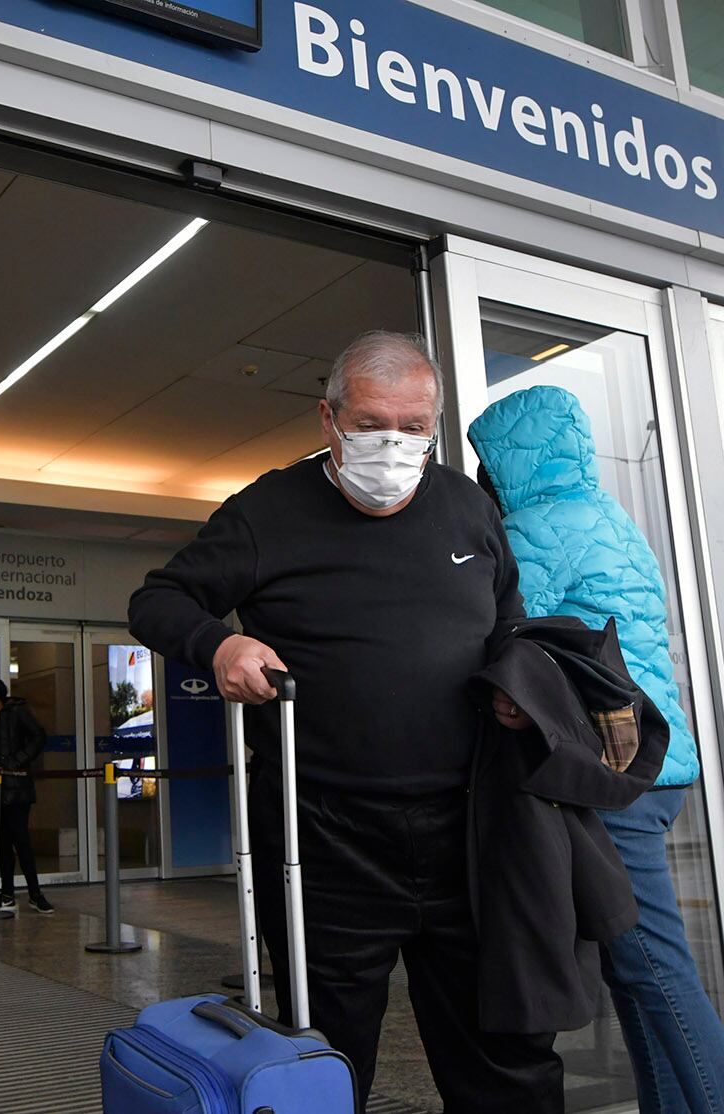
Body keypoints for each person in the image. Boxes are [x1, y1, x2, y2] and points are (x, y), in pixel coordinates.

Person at [129, 331, 561, 1114]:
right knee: (323, 1056)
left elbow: (507, 622)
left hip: (466, 828)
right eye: (370, 424)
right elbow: (157, 600)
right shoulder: (268, 510)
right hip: (322, 835)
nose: (393, 444)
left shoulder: (468, 507)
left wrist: (516, 682)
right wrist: (219, 641)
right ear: (328, 419)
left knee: (504, 1052)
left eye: (414, 426)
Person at [469, 385, 724, 1114]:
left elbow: (502, 633)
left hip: (612, 779)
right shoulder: (611, 519)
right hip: (657, 766)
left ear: (507, 461)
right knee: (637, 973)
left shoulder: (535, 527)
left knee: (656, 972)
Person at [0, 679, 56, 914]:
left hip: (16, 789)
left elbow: (38, 736)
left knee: (21, 840)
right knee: (2, 843)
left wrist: (15, 761)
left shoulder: (17, 712)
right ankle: (7, 892)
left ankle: (35, 893)